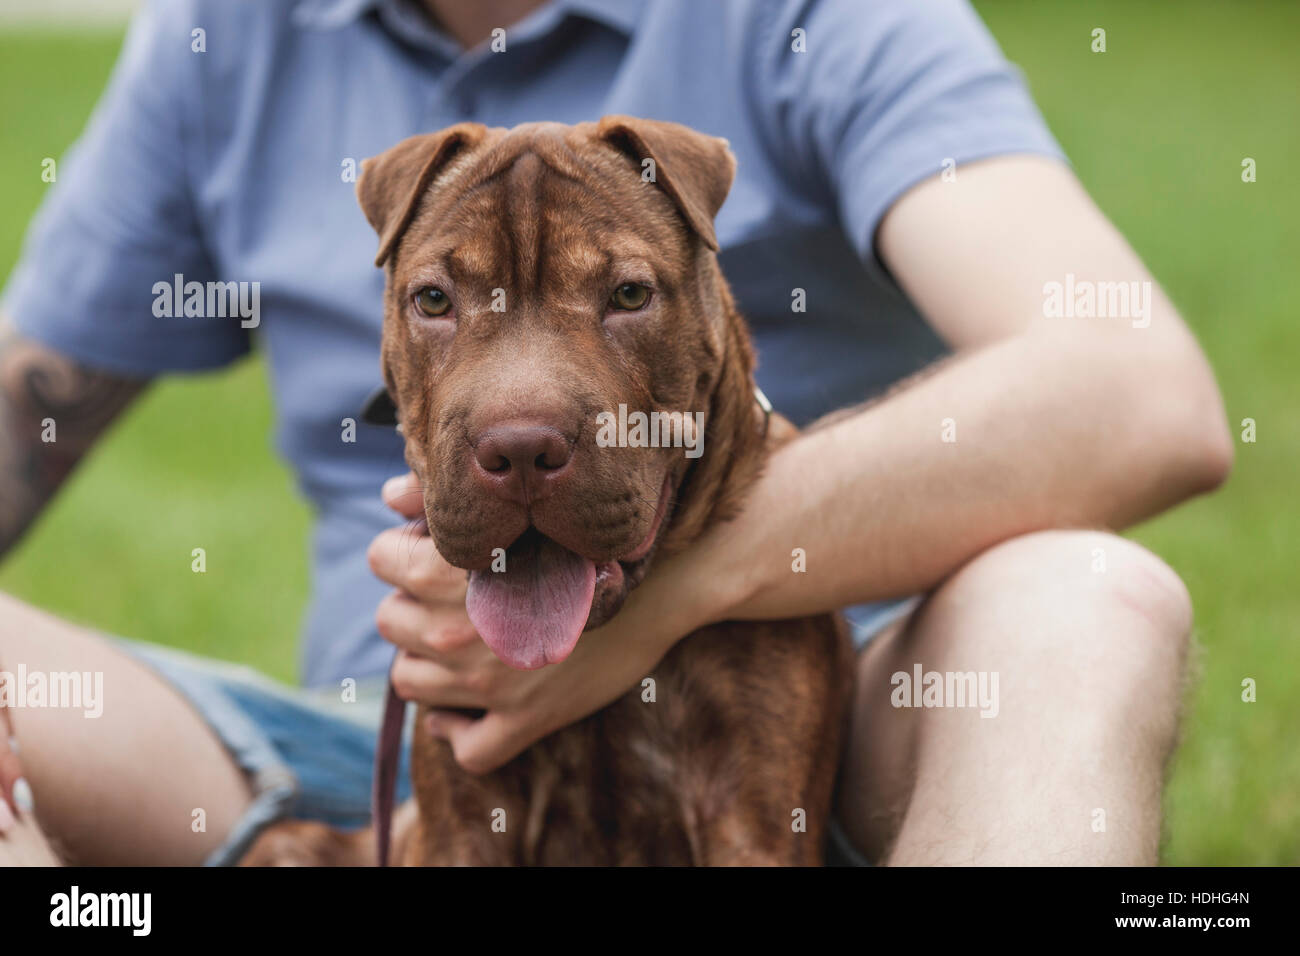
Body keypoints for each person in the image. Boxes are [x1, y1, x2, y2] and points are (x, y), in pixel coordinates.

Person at [0, 0, 1230, 866]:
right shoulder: (225, 32)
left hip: (844, 753)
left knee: (1089, 596)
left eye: (624, 294)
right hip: (362, 761)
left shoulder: (813, 12)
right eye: (437, 301)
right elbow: (26, 400)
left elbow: (1140, 389)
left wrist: (688, 584)